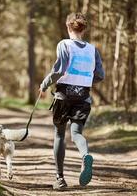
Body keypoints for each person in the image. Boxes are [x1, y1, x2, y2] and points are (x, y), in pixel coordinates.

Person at [39, 12, 105, 189]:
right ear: (83, 29)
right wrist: (84, 83)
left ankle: (60, 179)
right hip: (83, 97)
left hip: (63, 97)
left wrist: (45, 83)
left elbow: (59, 70)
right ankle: (85, 156)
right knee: (76, 134)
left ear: (68, 27)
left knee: (60, 135)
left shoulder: (64, 45)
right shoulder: (93, 50)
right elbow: (100, 75)